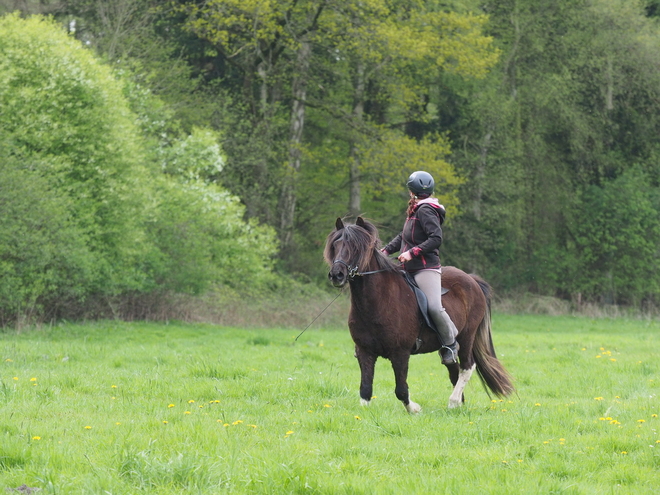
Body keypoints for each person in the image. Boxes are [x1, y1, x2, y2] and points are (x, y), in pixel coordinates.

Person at [381, 171, 460, 365]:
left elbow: (436, 239)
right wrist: (385, 251)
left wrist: (412, 253)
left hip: (425, 268)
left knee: (434, 307)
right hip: (407, 267)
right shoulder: (415, 210)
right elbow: (404, 236)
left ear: (411, 191)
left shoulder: (426, 210)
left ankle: (450, 343)